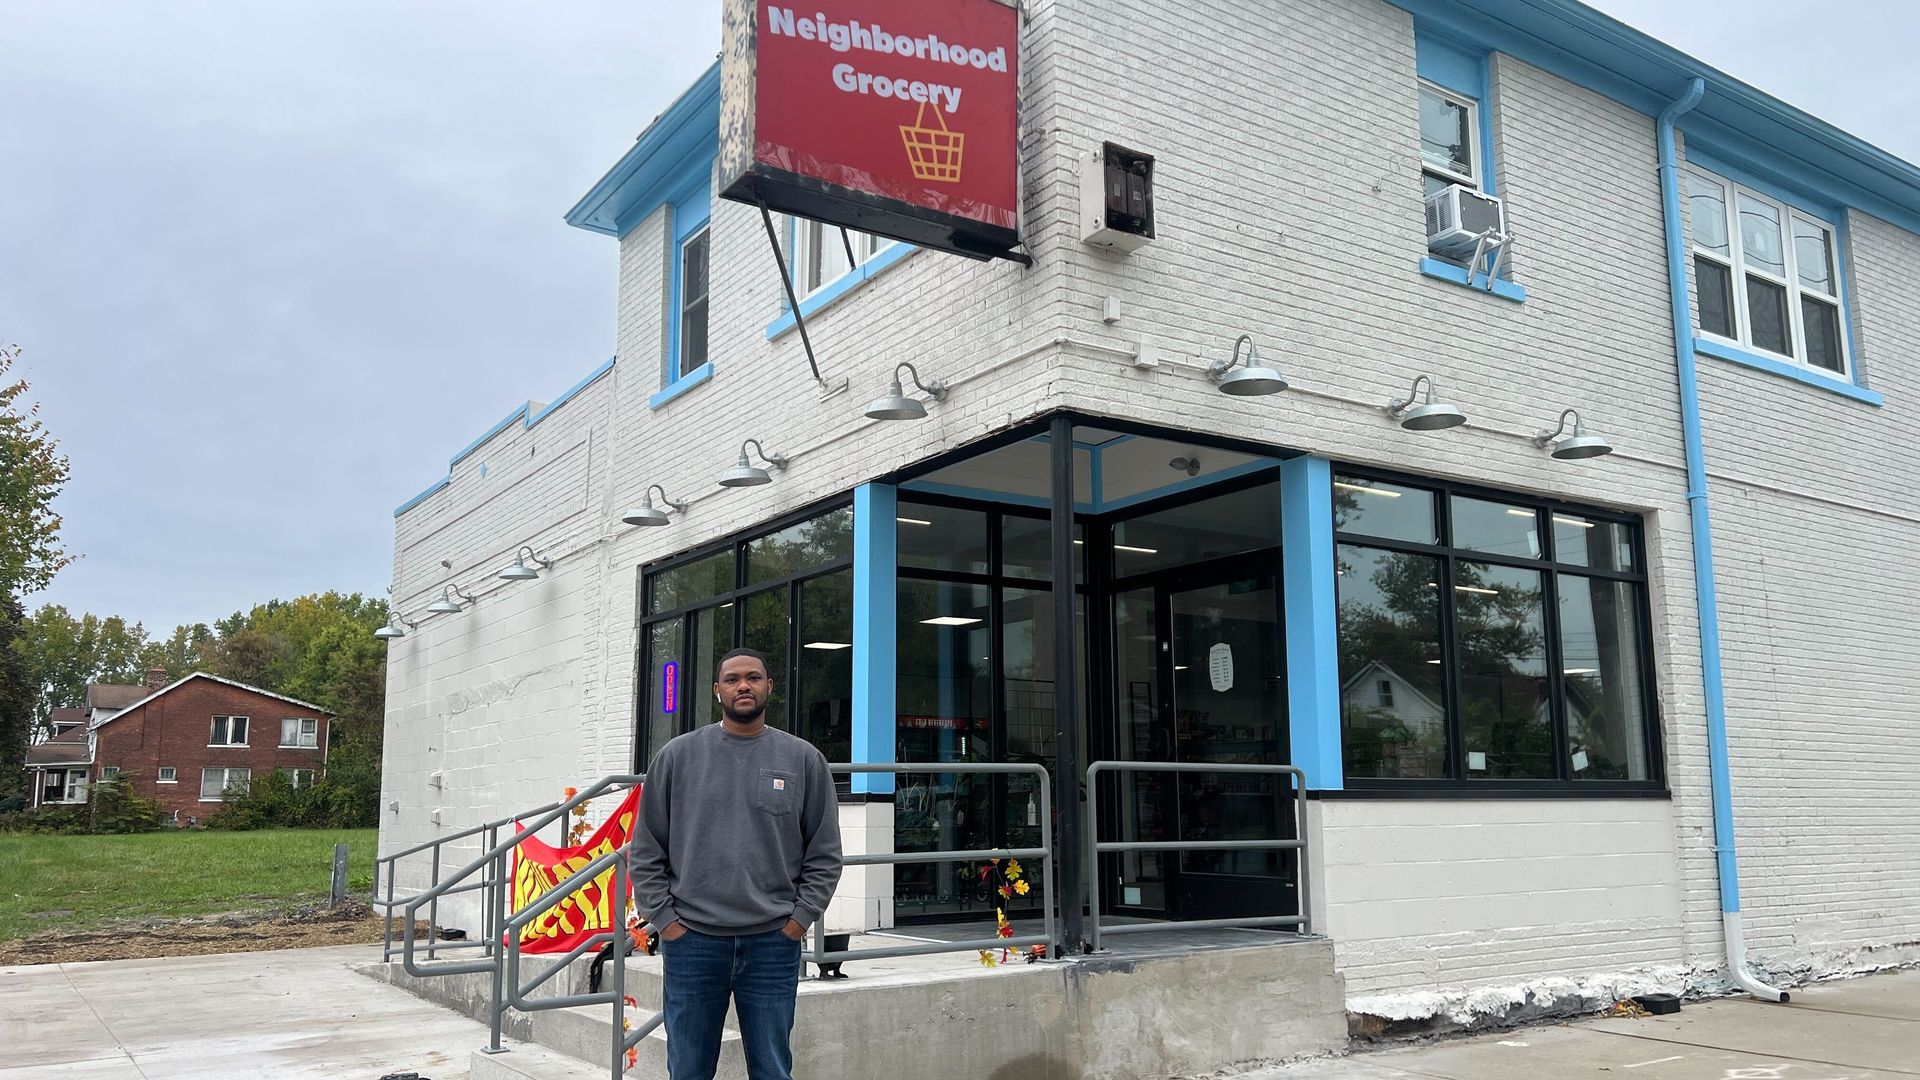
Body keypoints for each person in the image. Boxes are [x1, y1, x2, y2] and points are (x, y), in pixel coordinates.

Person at [630, 647, 843, 1080]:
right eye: (732, 679)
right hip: (693, 942)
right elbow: (646, 848)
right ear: (717, 690)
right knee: (688, 1069)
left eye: (753, 677)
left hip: (773, 942)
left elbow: (824, 853)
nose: (743, 685)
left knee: (772, 1069)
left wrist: (798, 921)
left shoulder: (803, 760)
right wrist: (666, 922)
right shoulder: (677, 757)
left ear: (769, 687)